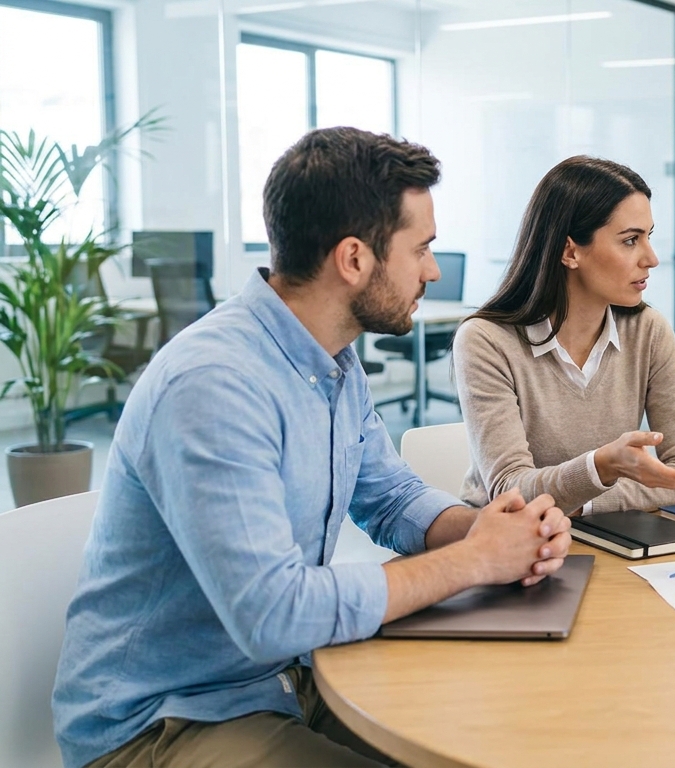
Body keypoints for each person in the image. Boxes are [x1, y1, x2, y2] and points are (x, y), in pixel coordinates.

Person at [52, 127, 571, 768]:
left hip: (289, 678)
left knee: (497, 733)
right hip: (167, 720)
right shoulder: (213, 386)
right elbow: (275, 613)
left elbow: (390, 495)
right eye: (422, 248)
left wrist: (490, 531)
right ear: (354, 259)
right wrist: (472, 564)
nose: (433, 270)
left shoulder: (333, 360)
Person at [453, 155, 675, 516]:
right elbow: (509, 494)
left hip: (609, 536)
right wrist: (601, 468)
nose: (651, 258)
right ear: (570, 251)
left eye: (648, 237)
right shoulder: (486, 341)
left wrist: (585, 501)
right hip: (507, 547)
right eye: (630, 240)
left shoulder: (648, 331)